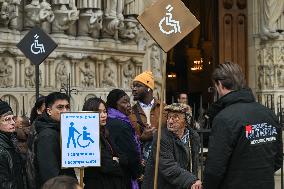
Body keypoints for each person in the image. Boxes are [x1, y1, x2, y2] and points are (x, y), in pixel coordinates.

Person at [203, 62, 283, 189]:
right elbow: (278, 159)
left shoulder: (224, 118)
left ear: (220, 84)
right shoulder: (269, 114)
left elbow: (214, 169)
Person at [142, 103, 201, 189]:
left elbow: (193, 165)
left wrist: (193, 182)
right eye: (169, 117)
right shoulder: (161, 137)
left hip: (182, 184)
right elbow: (168, 167)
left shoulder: (193, 137)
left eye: (176, 117)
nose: (170, 121)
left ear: (186, 121)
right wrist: (191, 180)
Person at [83, 97, 126, 189]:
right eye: (99, 112)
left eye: (105, 111)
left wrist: (118, 160)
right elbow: (108, 166)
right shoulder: (90, 136)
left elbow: (122, 157)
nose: (103, 115)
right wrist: (117, 161)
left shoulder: (104, 133)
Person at [34, 92, 76, 188]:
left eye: (67, 107)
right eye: (60, 107)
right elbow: (50, 174)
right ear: (49, 111)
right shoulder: (48, 135)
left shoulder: (59, 129)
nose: (65, 111)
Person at [106, 89, 143, 189]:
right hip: (124, 174)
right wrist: (138, 173)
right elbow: (131, 152)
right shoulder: (121, 125)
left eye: (129, 102)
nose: (129, 105)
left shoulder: (109, 119)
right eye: (124, 102)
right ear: (115, 104)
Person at [129, 71, 166, 163]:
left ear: (149, 88)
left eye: (138, 86)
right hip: (140, 162)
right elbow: (127, 140)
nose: (134, 89)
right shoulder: (130, 113)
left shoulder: (164, 109)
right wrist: (142, 138)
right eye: (133, 86)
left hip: (162, 161)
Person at [0, 100, 25, 189]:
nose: (13, 122)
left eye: (13, 118)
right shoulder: (2, 149)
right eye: (7, 119)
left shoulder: (11, 140)